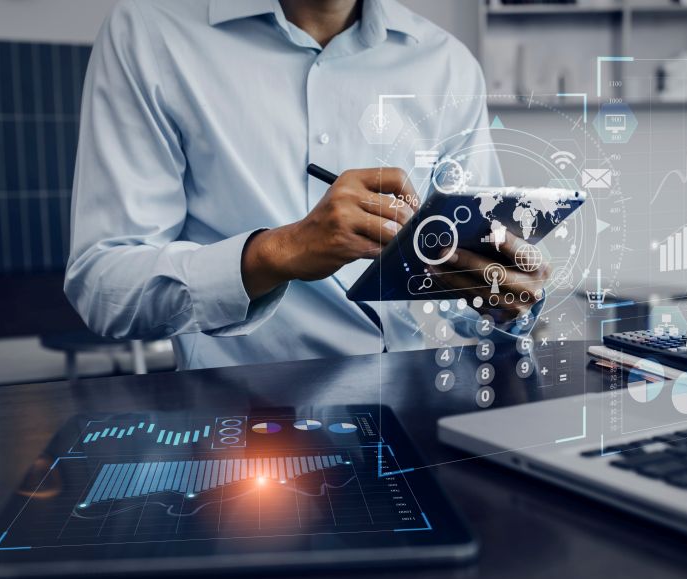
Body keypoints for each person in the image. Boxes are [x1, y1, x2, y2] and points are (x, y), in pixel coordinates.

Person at [65, 0, 547, 369]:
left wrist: (501, 303)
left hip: (406, 408)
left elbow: (468, 288)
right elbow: (104, 286)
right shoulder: (149, 32)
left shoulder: (447, 64)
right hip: (233, 422)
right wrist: (278, 252)